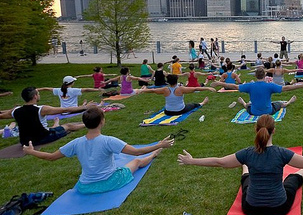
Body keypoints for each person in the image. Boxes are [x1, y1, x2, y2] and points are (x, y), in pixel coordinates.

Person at [177, 114, 303, 215]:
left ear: (255, 129)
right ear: (274, 130)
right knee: (291, 179)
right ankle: (301, 171)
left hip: (251, 209)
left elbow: (220, 162)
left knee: (246, 180)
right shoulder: (282, 153)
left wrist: (192, 161)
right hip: (279, 208)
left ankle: (245, 167)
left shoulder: (247, 153)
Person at [23, 106, 174, 194]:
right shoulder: (108, 141)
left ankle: (154, 152)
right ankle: (154, 155)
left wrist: (31, 151)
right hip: (109, 182)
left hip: (84, 187)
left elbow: (51, 157)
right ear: (102, 121)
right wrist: (158, 145)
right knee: (137, 161)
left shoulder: (76, 143)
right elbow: (136, 152)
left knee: (131, 160)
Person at [0, 87, 89, 146]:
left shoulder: (15, 110)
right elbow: (65, 110)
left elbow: (2, 116)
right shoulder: (41, 109)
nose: (39, 95)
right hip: (42, 138)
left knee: (58, 127)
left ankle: (57, 125)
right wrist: (85, 107)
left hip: (25, 141)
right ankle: (89, 123)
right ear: (35, 96)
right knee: (68, 126)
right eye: (38, 93)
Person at [221, 67, 303, 115]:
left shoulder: (250, 86)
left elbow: (234, 86)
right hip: (268, 111)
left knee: (247, 105)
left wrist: (219, 83)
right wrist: (302, 85)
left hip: (254, 112)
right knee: (282, 104)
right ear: (265, 75)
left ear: (255, 75)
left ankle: (243, 102)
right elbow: (286, 88)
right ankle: (289, 102)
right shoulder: (269, 86)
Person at [138, 74, 213, 115]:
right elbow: (195, 89)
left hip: (167, 112)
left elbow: (153, 90)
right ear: (176, 81)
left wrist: (143, 90)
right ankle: (202, 103)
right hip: (180, 110)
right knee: (192, 105)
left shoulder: (165, 89)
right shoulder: (181, 89)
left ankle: (202, 103)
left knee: (187, 105)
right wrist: (207, 88)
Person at [37, 76, 103, 108]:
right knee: (91, 106)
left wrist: (36, 89)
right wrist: (97, 90)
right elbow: (86, 90)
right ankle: (99, 105)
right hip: (73, 110)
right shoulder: (73, 90)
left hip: (63, 111)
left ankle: (84, 104)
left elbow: (46, 88)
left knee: (86, 105)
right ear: (72, 83)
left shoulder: (58, 90)